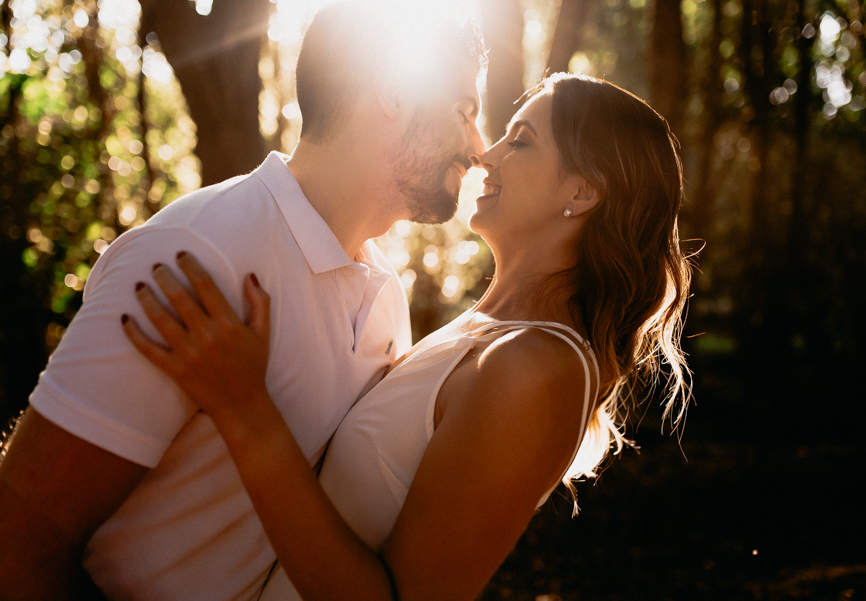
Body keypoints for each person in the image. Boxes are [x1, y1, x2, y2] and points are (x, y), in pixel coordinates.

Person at [123, 72, 693, 600]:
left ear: (582, 192)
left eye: (520, 141)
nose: (483, 155)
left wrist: (246, 409)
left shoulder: (536, 368)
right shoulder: (488, 336)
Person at [0, 2, 486, 599]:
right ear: (393, 90)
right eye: (464, 110)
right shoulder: (197, 255)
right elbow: (18, 540)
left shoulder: (385, 293)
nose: (478, 145)